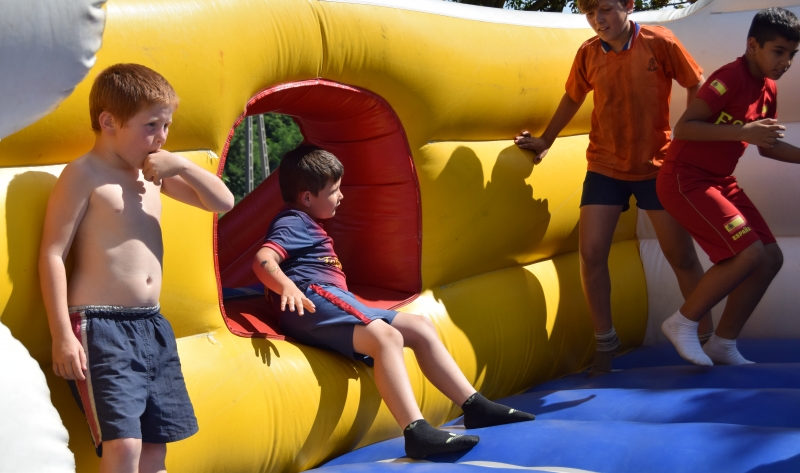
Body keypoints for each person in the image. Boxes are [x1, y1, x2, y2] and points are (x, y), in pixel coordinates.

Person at [251, 145, 536, 459]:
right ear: (307, 198)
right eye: (334, 191)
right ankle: (416, 431)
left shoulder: (307, 221)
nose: (341, 196)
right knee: (387, 337)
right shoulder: (294, 220)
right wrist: (287, 286)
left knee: (420, 327)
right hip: (313, 299)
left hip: (332, 299)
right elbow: (263, 259)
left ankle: (475, 405)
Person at [514, 0, 711, 375]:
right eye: (590, 13)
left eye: (605, 10)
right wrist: (547, 139)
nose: (598, 20)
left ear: (628, 5)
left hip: (657, 166)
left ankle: (706, 338)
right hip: (605, 166)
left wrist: (690, 132)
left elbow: (696, 81)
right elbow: (572, 98)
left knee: (681, 256)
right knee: (591, 255)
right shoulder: (588, 53)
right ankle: (606, 343)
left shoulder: (659, 42)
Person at [39, 64, 235, 473]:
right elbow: (53, 254)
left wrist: (183, 166)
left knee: (154, 449)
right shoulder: (84, 174)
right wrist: (62, 335)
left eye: (166, 125)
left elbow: (222, 202)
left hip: (152, 325)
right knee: (124, 445)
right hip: (100, 326)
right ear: (109, 122)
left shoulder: (153, 175)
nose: (161, 137)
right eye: (151, 125)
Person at [657, 7, 800, 366]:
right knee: (747, 253)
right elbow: (684, 128)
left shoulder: (768, 89)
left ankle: (722, 343)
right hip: (684, 179)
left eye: (792, 54)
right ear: (753, 45)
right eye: (778, 52)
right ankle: (682, 322)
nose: (785, 62)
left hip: (720, 182)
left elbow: (767, 146)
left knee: (770, 258)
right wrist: (741, 132)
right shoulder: (729, 78)